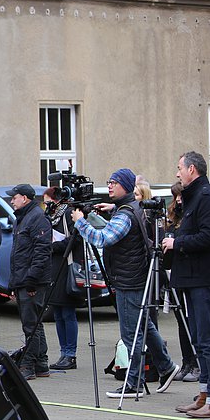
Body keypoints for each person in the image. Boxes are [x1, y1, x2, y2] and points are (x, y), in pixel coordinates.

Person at [72, 168, 179, 399]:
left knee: (131, 333)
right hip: (135, 276)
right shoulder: (132, 208)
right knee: (145, 326)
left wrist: (81, 222)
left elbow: (103, 238)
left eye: (114, 183)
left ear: (125, 186)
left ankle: (134, 383)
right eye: (108, 182)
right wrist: (109, 210)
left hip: (129, 279)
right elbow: (123, 218)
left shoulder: (124, 215)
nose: (109, 186)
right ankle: (167, 367)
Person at [163, 152, 210, 418]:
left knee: (208, 340)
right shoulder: (194, 197)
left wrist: (178, 243)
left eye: (180, 168)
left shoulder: (207, 197)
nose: (177, 174)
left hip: (203, 278)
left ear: (191, 169)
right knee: (199, 339)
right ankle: (203, 395)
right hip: (191, 277)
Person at [8, 184, 52, 380]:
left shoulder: (36, 218)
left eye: (14, 197)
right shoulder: (24, 218)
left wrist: (32, 281)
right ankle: (41, 363)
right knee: (35, 323)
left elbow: (42, 252)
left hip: (31, 280)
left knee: (30, 325)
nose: (11, 201)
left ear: (24, 198)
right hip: (24, 279)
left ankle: (28, 365)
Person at [44, 187, 81, 371]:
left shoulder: (68, 213)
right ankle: (63, 352)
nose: (46, 205)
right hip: (54, 268)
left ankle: (70, 354)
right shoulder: (52, 216)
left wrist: (54, 246)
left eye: (47, 201)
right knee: (57, 313)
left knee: (67, 312)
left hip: (66, 267)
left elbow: (75, 238)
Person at [164, 181, 198, 382]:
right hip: (176, 276)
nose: (177, 200)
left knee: (192, 323)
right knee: (181, 323)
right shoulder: (174, 220)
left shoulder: (192, 217)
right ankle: (186, 362)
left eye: (180, 196)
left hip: (191, 276)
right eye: (175, 196)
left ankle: (196, 363)